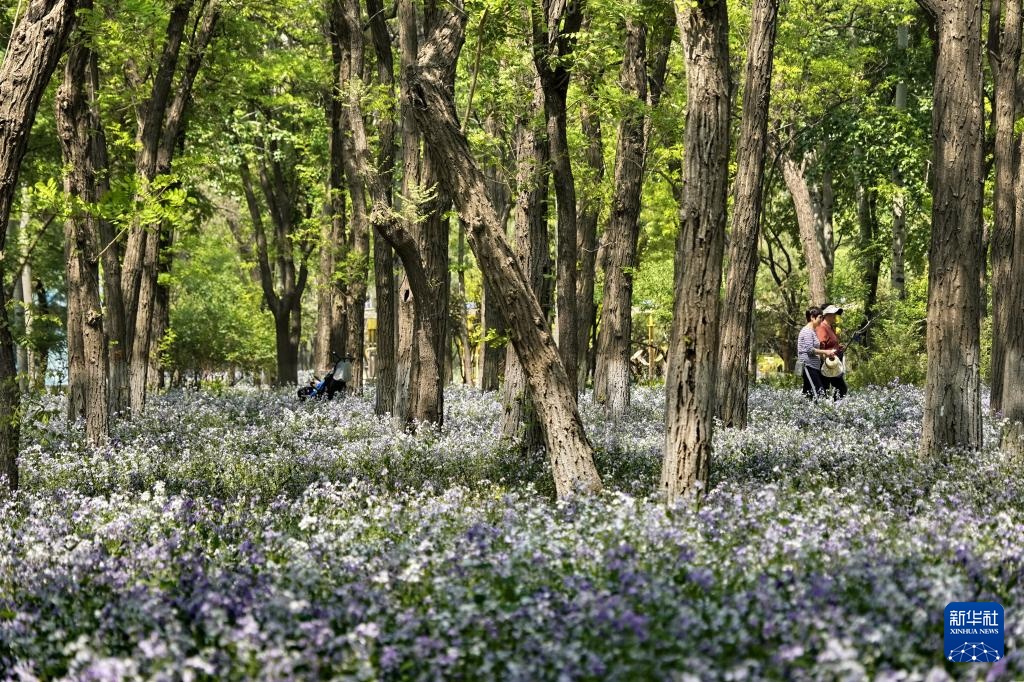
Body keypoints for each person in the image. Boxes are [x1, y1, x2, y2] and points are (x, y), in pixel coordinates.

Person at [797, 306, 836, 399]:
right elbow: (810, 350)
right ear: (812, 317)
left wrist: (826, 354)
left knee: (808, 395)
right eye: (820, 317)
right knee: (819, 392)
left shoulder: (813, 331)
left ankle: (802, 411)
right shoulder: (807, 331)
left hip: (814, 367)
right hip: (808, 366)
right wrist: (826, 352)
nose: (821, 320)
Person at [817, 304, 848, 399]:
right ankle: (830, 409)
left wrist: (838, 347)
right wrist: (826, 356)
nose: (835, 316)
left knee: (830, 389)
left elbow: (831, 344)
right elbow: (821, 346)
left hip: (833, 363)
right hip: (827, 363)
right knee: (839, 388)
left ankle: (831, 409)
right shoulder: (822, 327)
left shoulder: (830, 327)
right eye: (833, 314)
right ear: (826, 315)